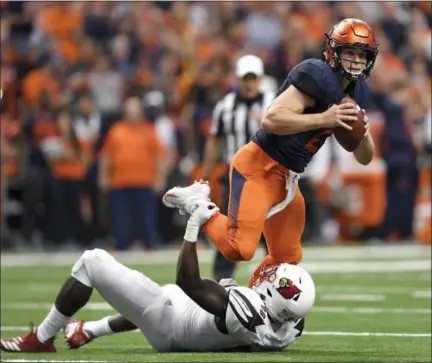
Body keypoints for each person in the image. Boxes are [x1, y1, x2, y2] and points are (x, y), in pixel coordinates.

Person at [163, 18, 378, 287]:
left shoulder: (358, 92)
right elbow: (272, 119)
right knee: (239, 248)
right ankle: (197, 204)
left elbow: (364, 156)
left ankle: (256, 303)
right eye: (350, 52)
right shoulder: (316, 74)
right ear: (334, 51)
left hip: (289, 178)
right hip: (259, 167)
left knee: (287, 259)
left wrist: (364, 132)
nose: (357, 60)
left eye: (362, 54)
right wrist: (325, 119)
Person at [0, 199, 315, 353]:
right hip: (180, 324)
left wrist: (193, 226)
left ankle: (41, 338)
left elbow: (187, 282)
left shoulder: (245, 308)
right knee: (156, 297)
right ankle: (90, 329)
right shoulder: (290, 326)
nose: (266, 276)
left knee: (91, 261)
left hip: (171, 324)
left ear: (273, 297)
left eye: (273, 281)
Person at [203, 54, 275, 282]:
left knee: (271, 230)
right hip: (235, 180)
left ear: (260, 79)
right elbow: (214, 140)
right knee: (230, 229)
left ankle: (278, 275)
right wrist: (205, 175)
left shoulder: (274, 103)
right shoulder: (225, 106)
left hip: (267, 178)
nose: (249, 83)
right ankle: (221, 278)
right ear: (238, 79)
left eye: (253, 78)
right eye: (245, 78)